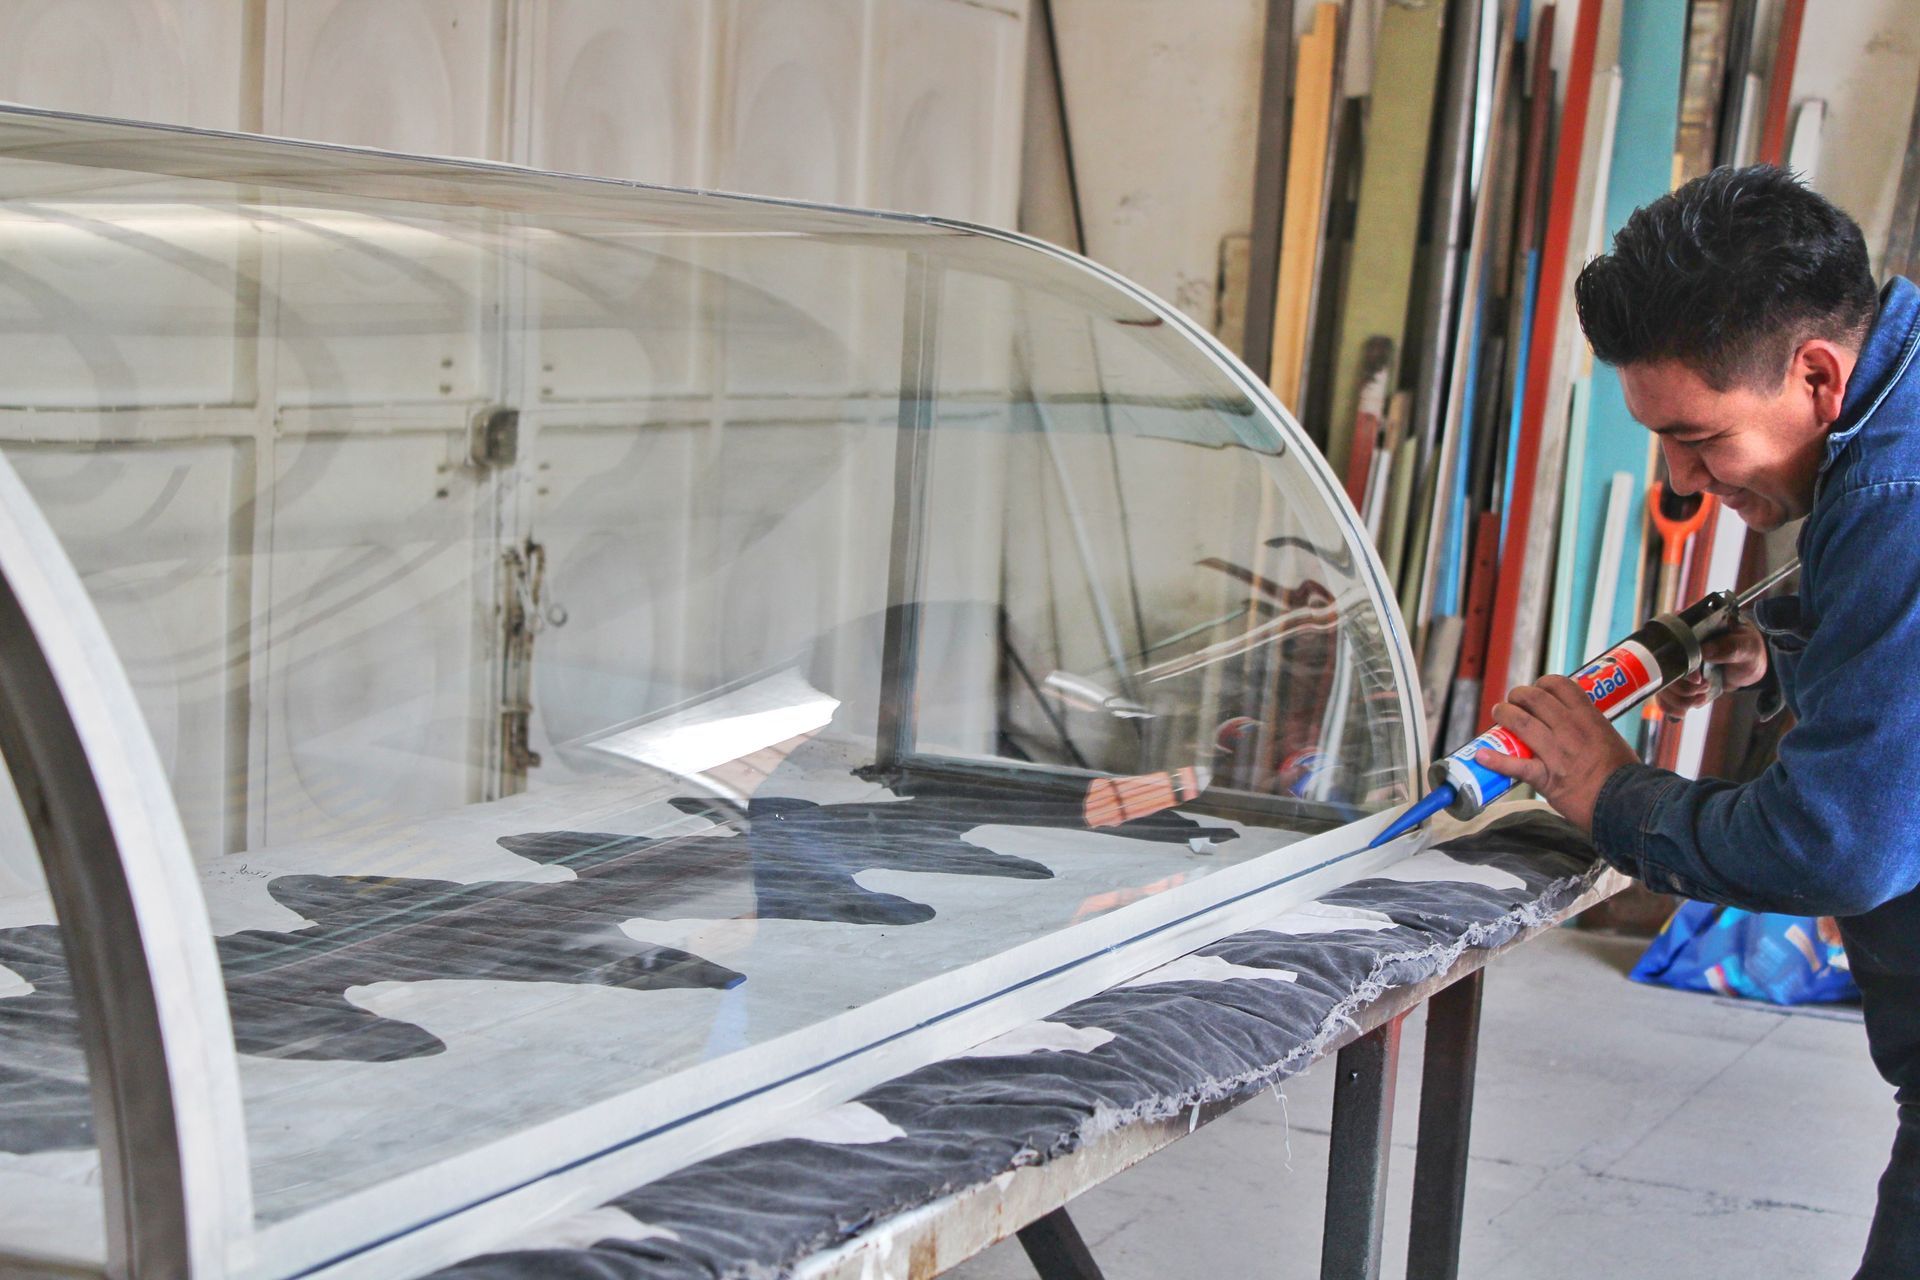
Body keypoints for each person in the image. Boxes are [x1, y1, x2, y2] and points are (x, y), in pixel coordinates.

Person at [1479, 164, 1920, 1279]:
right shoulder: (1896, 403)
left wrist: (1608, 792)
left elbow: (1837, 844)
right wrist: (1782, 644)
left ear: (1815, 372)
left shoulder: (1895, 500)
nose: (1680, 482)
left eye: (1700, 437)